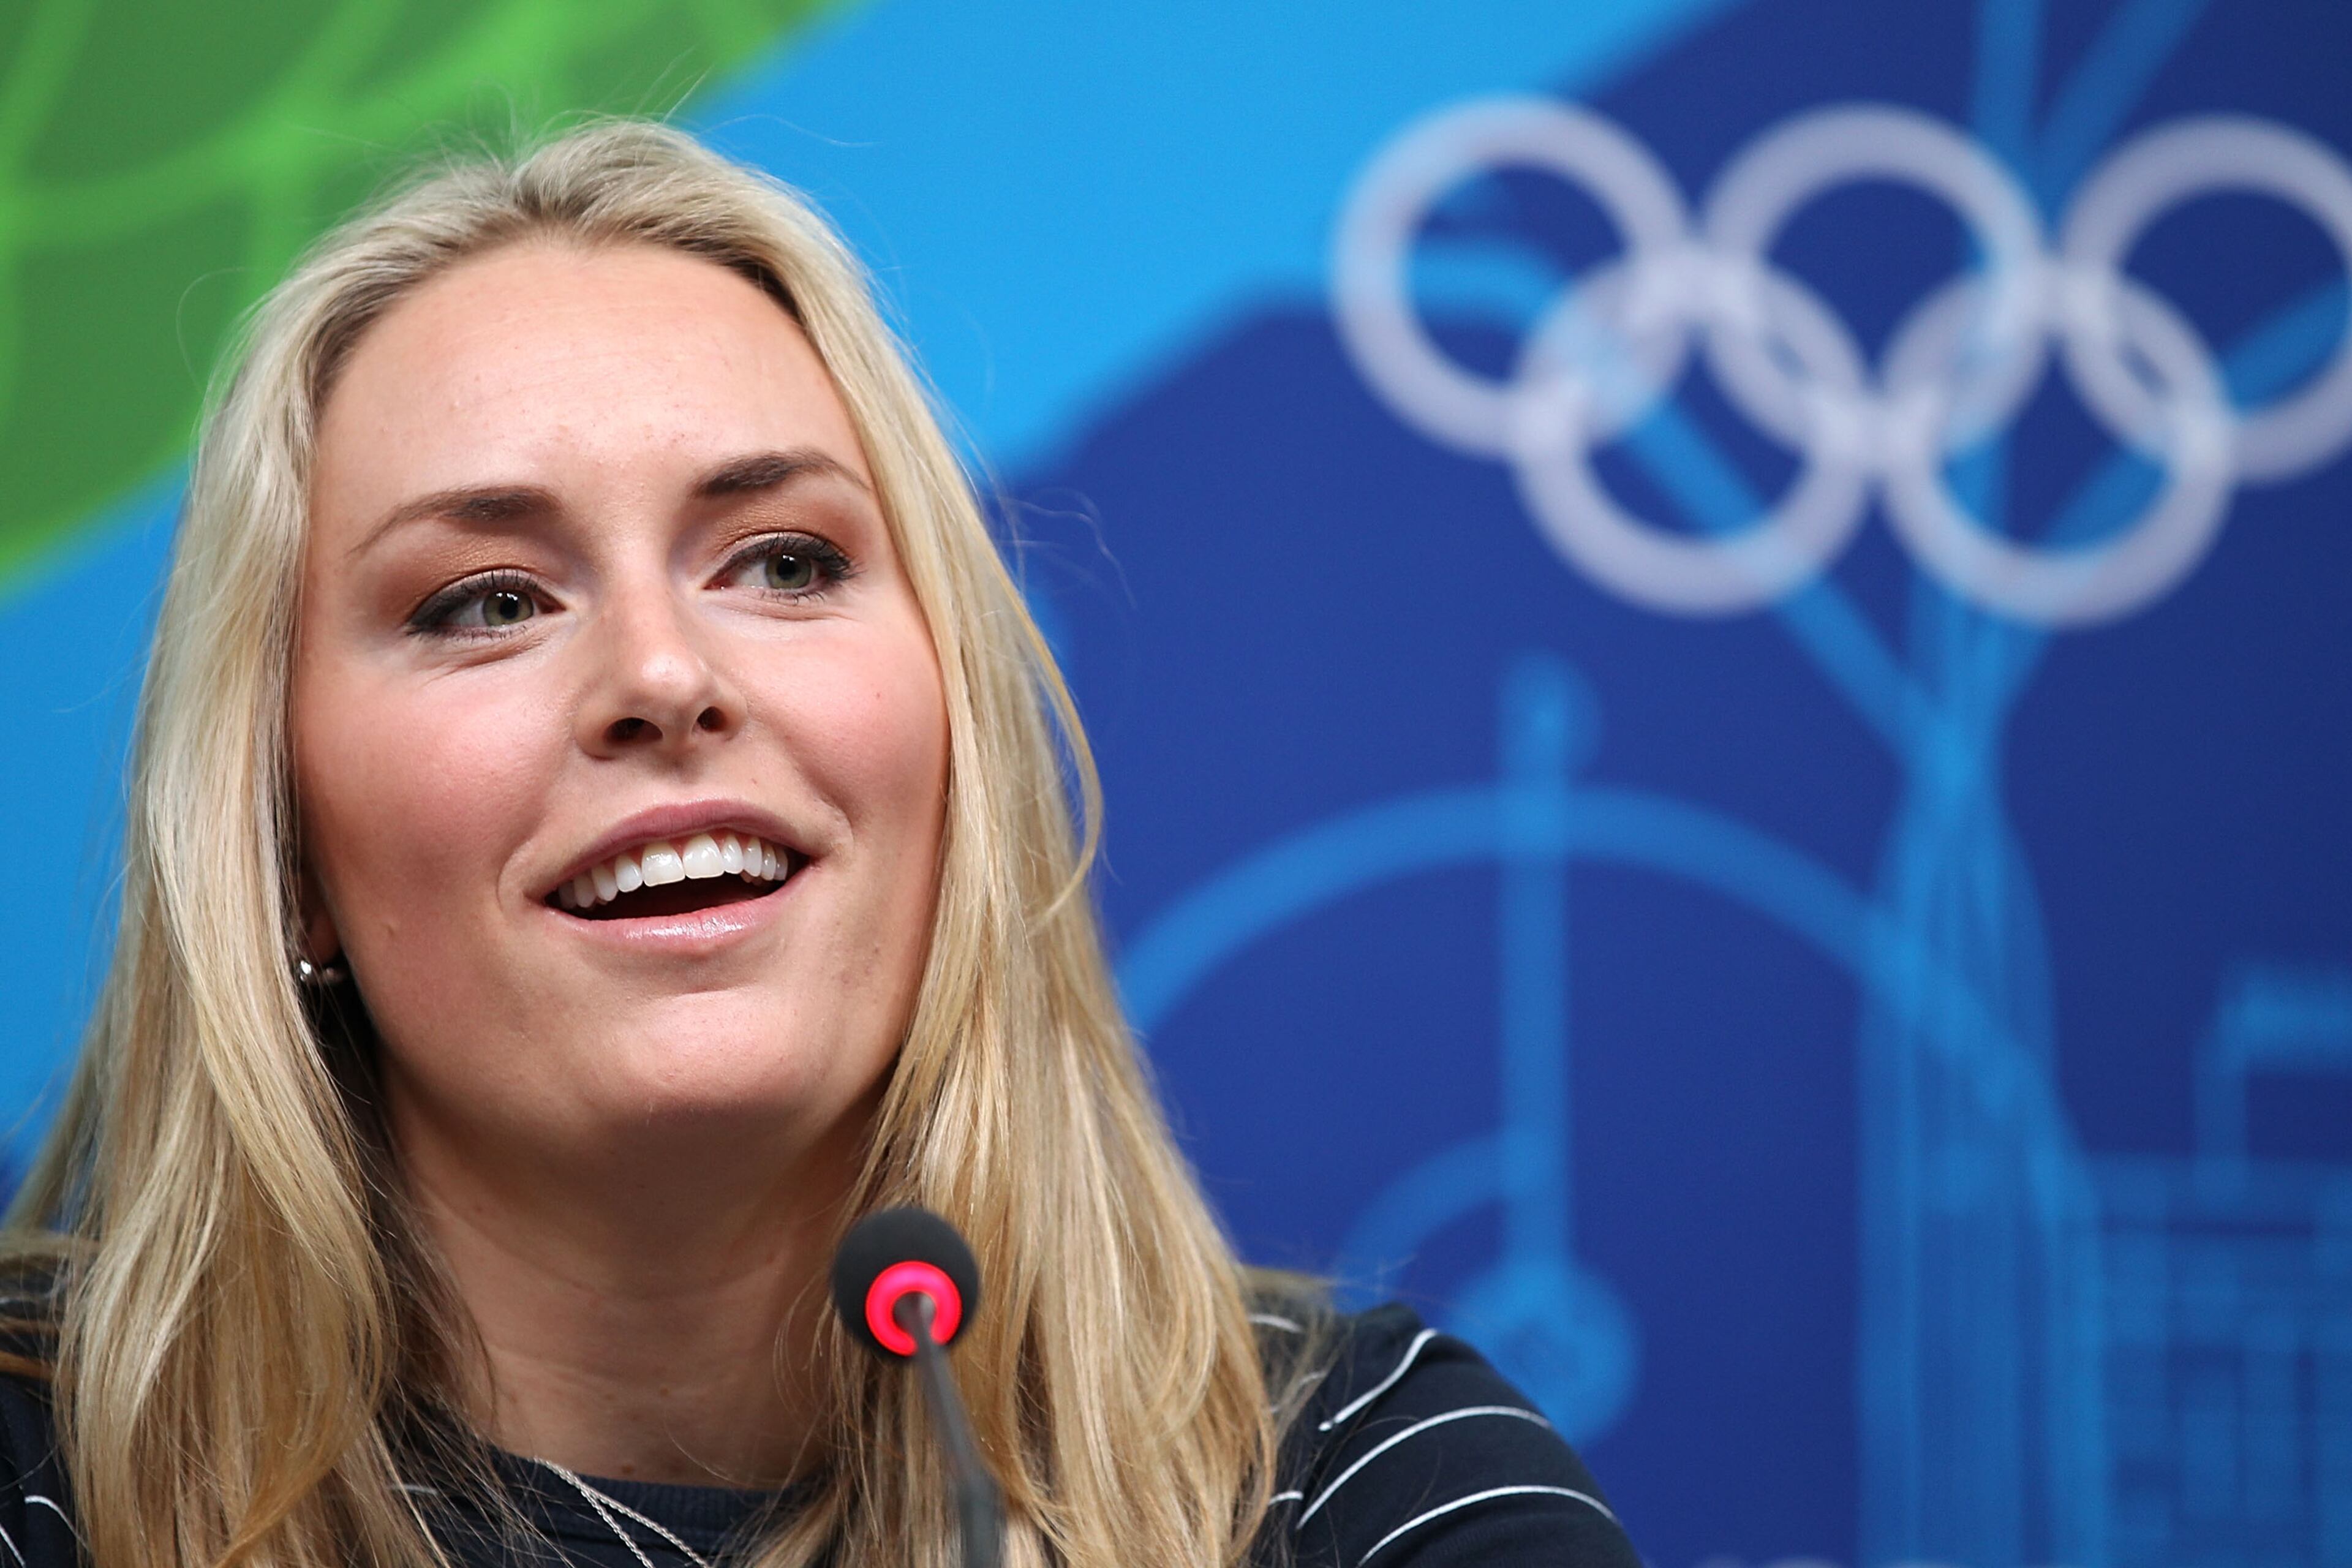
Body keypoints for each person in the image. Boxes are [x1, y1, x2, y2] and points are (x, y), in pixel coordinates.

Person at [0, 122, 1640, 1568]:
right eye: (488, 602)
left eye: (781, 563)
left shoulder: (1352, 1488)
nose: (661, 676)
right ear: (281, 850)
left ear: (953, 750)